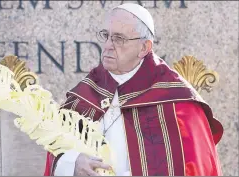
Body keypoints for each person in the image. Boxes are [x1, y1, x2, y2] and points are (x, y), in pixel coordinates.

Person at [44, 3, 223, 176]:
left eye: (119, 39)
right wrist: (71, 164)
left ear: (144, 48)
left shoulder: (177, 102)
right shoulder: (85, 94)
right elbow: (55, 152)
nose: (107, 45)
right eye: (106, 35)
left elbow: (199, 168)